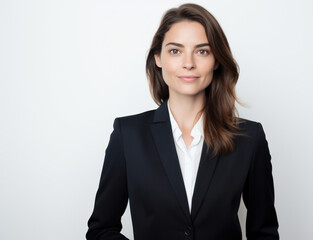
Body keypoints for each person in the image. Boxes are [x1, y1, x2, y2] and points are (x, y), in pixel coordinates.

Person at [86, 3, 279, 240]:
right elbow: (101, 229)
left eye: (202, 51)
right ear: (158, 58)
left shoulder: (249, 137)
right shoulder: (128, 135)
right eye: (175, 51)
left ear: (216, 60)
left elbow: (265, 233)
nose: (188, 63)